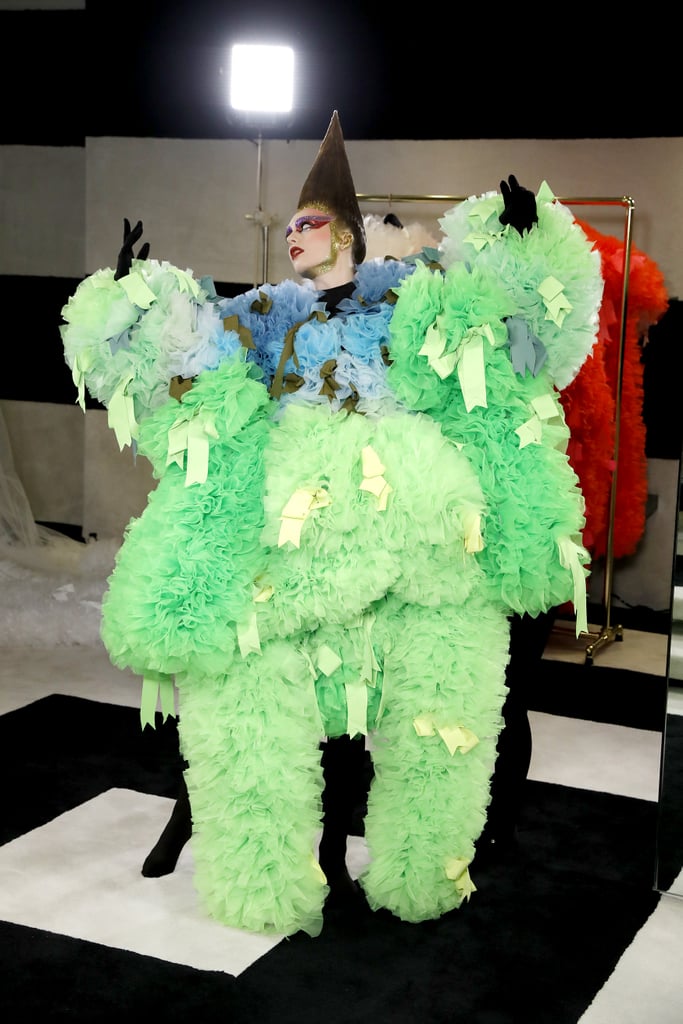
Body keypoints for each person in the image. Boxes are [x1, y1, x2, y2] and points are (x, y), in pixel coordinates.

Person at [61, 112, 603, 938]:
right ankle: (262, 878)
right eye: (286, 227)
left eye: (307, 223)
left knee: (445, 698)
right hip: (296, 540)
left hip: (419, 532)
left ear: (347, 230)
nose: (292, 237)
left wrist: (524, 247)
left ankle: (424, 867)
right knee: (244, 685)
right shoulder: (264, 314)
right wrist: (138, 304)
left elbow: (518, 344)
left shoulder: (406, 297)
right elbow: (192, 364)